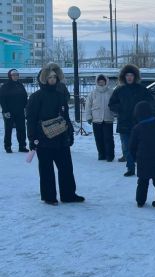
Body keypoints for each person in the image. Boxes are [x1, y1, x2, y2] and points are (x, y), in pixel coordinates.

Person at [26, 63, 84, 206]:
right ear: (44, 79)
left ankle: (68, 194)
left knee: (66, 168)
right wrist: (32, 139)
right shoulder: (36, 97)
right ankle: (49, 196)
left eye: (54, 77)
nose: (52, 79)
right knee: (46, 169)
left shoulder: (60, 95)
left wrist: (69, 133)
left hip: (61, 138)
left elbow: (65, 116)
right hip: (43, 138)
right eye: (50, 77)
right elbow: (31, 120)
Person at [109, 64, 154, 177]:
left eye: (131, 75)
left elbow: (150, 101)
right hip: (124, 123)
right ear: (124, 77)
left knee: (140, 147)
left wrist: (143, 111)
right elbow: (111, 104)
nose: (129, 77)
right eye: (127, 75)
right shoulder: (119, 90)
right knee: (128, 148)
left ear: (135, 76)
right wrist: (121, 109)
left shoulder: (142, 89)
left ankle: (142, 167)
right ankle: (130, 168)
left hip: (139, 124)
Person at [86, 74, 115, 162]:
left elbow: (115, 103)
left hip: (108, 118)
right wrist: (89, 116)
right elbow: (88, 105)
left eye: (103, 81)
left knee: (108, 138)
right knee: (98, 138)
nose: (101, 83)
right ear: (97, 82)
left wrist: (115, 111)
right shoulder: (93, 93)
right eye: (99, 81)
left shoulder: (111, 92)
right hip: (96, 119)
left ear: (106, 82)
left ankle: (110, 155)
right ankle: (101, 154)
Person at [0, 68, 28, 153]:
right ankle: (8, 146)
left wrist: (26, 107)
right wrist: (5, 111)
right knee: (8, 129)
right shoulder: (5, 86)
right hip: (9, 112)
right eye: (14, 75)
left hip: (20, 111)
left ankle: (22, 146)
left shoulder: (20, 85)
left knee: (21, 129)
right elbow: (2, 99)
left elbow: (25, 97)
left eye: (17, 75)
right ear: (10, 76)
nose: (16, 76)